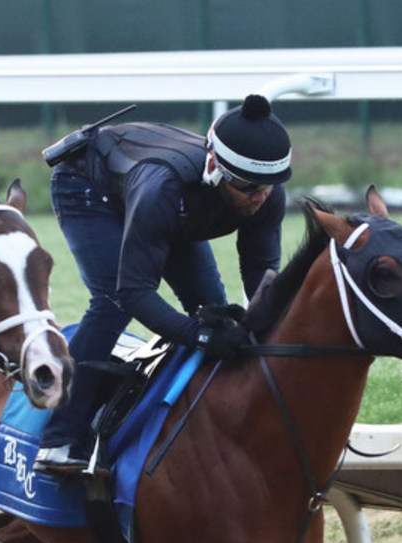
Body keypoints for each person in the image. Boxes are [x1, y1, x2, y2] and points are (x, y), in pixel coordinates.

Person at [33, 94, 293, 474]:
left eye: (269, 186)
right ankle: (59, 439)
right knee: (111, 302)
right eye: (247, 186)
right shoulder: (163, 188)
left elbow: (262, 282)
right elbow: (134, 292)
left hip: (172, 203)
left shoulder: (266, 194)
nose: (259, 197)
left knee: (214, 309)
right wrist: (198, 336)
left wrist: (261, 334)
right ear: (214, 166)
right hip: (89, 183)